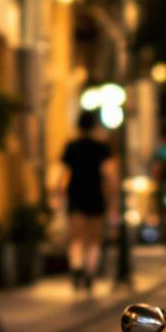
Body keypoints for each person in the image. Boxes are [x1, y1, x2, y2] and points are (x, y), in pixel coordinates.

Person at [57, 114, 114, 293]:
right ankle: (90, 272)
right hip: (95, 193)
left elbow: (63, 173)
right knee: (94, 237)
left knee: (76, 236)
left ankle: (76, 267)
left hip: (75, 193)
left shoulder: (71, 146)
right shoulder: (101, 147)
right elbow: (109, 174)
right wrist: (111, 196)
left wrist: (59, 193)